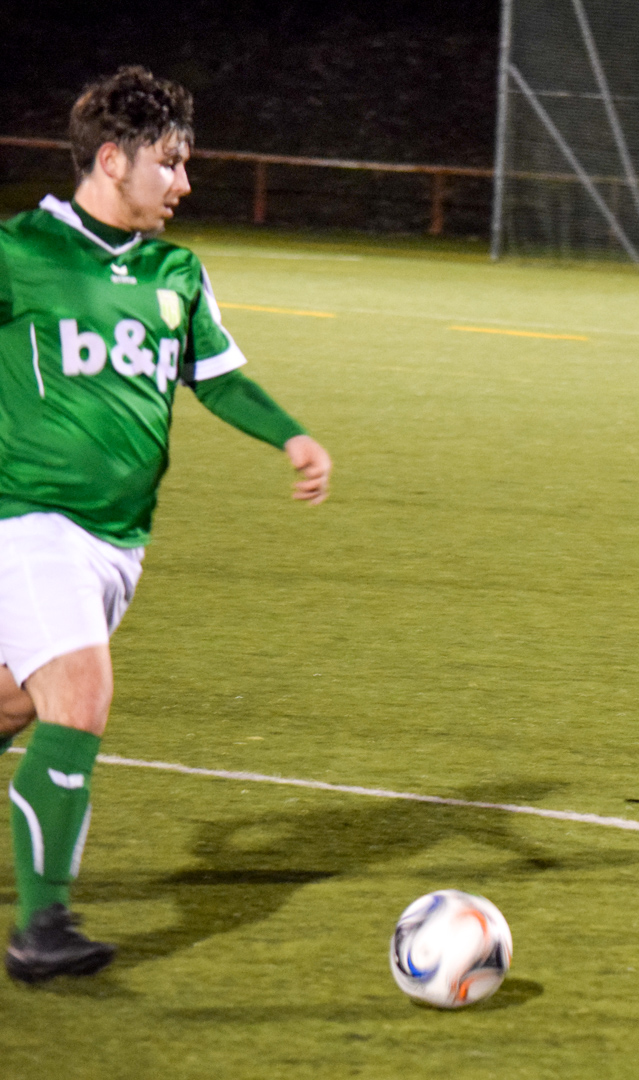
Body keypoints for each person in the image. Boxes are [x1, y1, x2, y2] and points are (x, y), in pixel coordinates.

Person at [0, 66, 332, 982]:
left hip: (120, 542)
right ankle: (42, 929)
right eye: (170, 163)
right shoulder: (21, 251)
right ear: (113, 160)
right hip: (29, 522)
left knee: (20, 703)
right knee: (80, 700)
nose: (184, 182)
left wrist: (291, 435)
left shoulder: (175, 272)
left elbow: (216, 377)